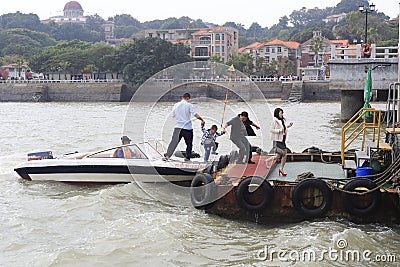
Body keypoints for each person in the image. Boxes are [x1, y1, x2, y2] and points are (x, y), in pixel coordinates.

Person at [163, 93, 205, 162]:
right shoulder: (189, 105)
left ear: (182, 97)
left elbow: (173, 115)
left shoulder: (176, 105)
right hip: (187, 128)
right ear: (188, 98)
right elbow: (195, 115)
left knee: (173, 143)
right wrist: (202, 120)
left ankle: (167, 156)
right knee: (189, 144)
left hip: (178, 127)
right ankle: (187, 158)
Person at [266, 108, 293, 176]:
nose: (282, 114)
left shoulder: (281, 120)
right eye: (281, 113)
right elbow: (271, 130)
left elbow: (284, 128)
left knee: (278, 156)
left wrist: (289, 126)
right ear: (277, 113)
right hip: (277, 140)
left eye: (282, 113)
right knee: (284, 154)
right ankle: (281, 169)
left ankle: (267, 161)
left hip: (282, 140)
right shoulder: (274, 120)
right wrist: (279, 131)